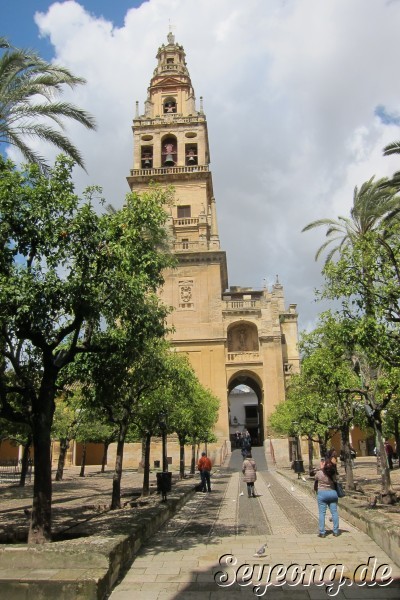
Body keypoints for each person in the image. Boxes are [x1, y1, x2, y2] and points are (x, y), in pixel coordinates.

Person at [314, 459, 340, 537]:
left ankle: (322, 532)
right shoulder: (333, 473)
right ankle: (335, 531)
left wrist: (321, 468)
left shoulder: (319, 473)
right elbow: (336, 480)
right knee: (334, 512)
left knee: (322, 513)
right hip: (332, 493)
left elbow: (315, 477)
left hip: (322, 494)